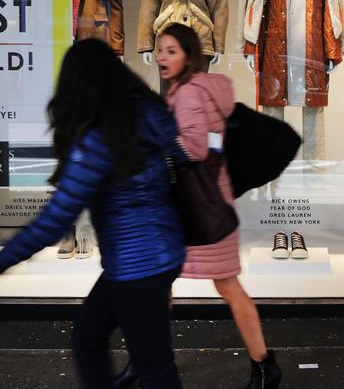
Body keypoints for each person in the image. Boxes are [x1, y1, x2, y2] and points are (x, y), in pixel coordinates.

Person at [0, 39, 186, 389]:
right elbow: (175, 177)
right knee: (89, 334)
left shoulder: (97, 139)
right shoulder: (148, 114)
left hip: (137, 265)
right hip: (156, 256)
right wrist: (162, 271)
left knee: (155, 368)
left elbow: (57, 218)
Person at [114, 23, 282, 389]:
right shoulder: (194, 90)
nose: (161, 56)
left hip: (197, 205)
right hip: (201, 201)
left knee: (219, 285)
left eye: (171, 51)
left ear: (189, 56)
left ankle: (264, 365)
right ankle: (147, 360)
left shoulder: (189, 94)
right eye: (160, 50)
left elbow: (196, 149)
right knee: (168, 285)